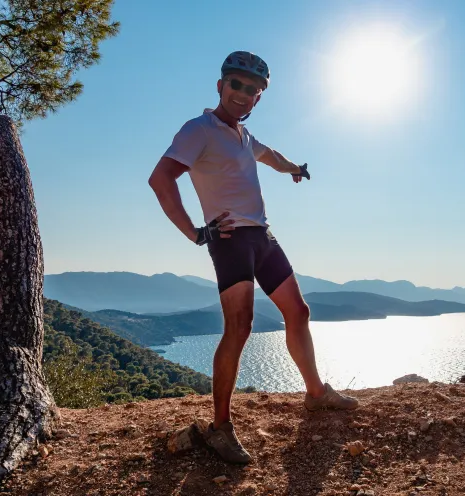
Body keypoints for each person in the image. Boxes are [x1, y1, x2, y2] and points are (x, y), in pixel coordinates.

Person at [148, 51, 359, 464]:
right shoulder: (199, 130)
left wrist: (294, 168)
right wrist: (195, 232)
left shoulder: (245, 138)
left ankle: (316, 394)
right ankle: (220, 427)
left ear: (260, 98)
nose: (244, 95)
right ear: (221, 86)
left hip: (262, 236)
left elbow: (269, 156)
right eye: (237, 85)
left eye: (254, 90)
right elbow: (160, 179)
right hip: (228, 238)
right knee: (239, 326)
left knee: (298, 311)